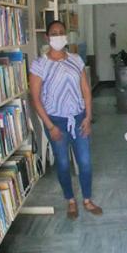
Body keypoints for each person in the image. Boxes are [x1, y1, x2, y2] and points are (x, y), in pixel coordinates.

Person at [29, 20, 102, 219]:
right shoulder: (39, 64)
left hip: (78, 118)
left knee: (85, 161)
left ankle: (87, 199)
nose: (58, 36)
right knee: (62, 163)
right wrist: (50, 126)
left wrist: (88, 116)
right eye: (54, 33)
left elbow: (85, 90)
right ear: (47, 37)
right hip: (55, 121)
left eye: (61, 32)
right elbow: (35, 99)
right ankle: (70, 200)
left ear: (66, 36)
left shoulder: (76, 59)